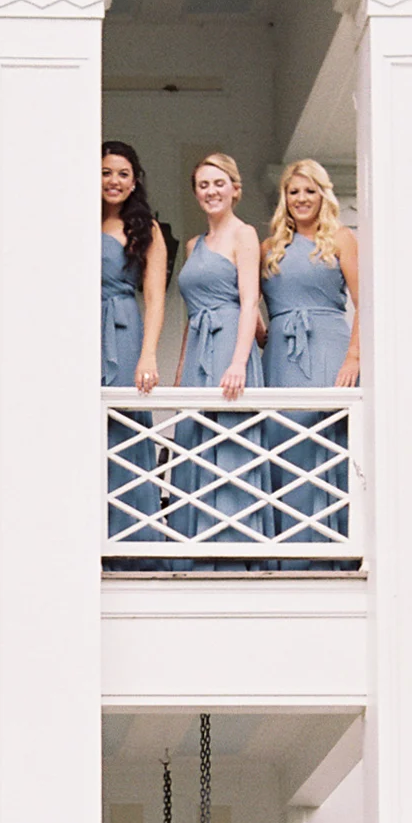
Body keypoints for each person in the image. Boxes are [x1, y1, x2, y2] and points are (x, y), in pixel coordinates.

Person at [171, 153, 271, 551]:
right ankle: (195, 545)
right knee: (196, 439)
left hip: (231, 340)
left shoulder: (244, 234)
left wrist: (238, 362)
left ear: (235, 188)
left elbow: (250, 302)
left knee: (231, 437)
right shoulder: (195, 244)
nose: (211, 191)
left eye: (219, 183)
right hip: (198, 343)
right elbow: (190, 314)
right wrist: (180, 371)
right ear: (196, 193)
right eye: (203, 185)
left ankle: (233, 545)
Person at [260, 158, 360, 552]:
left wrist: (354, 357)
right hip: (281, 355)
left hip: (328, 349)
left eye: (310, 191)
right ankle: (284, 549)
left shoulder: (341, 238)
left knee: (322, 440)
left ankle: (326, 547)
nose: (302, 199)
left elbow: (364, 301)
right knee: (280, 440)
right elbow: (247, 300)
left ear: (323, 195)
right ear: (284, 198)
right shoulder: (269, 247)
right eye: (294, 191)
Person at [102, 142, 170, 556]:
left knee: (124, 429)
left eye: (122, 173)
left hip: (123, 328)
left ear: (135, 180)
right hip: (77, 329)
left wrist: (148, 354)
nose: (114, 181)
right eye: (106, 172)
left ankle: (131, 541)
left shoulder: (147, 228)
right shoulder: (74, 219)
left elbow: (156, 298)